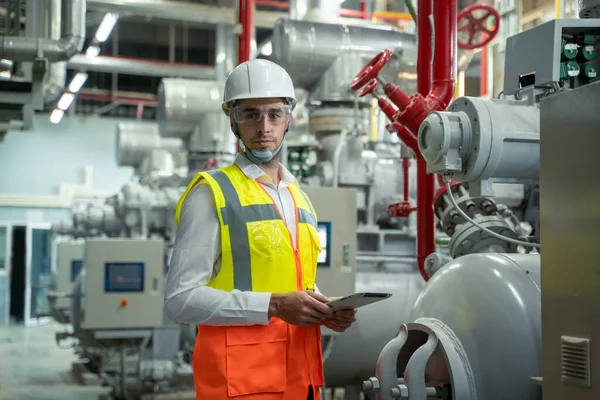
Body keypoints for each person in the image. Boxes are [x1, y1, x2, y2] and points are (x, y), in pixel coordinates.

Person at [164, 58, 357, 400]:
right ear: (233, 122)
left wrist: (322, 310)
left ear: (289, 120)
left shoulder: (298, 198)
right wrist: (274, 305)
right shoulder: (212, 193)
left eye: (274, 114)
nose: (264, 127)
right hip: (241, 384)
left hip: (302, 381)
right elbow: (179, 301)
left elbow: (291, 282)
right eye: (250, 114)